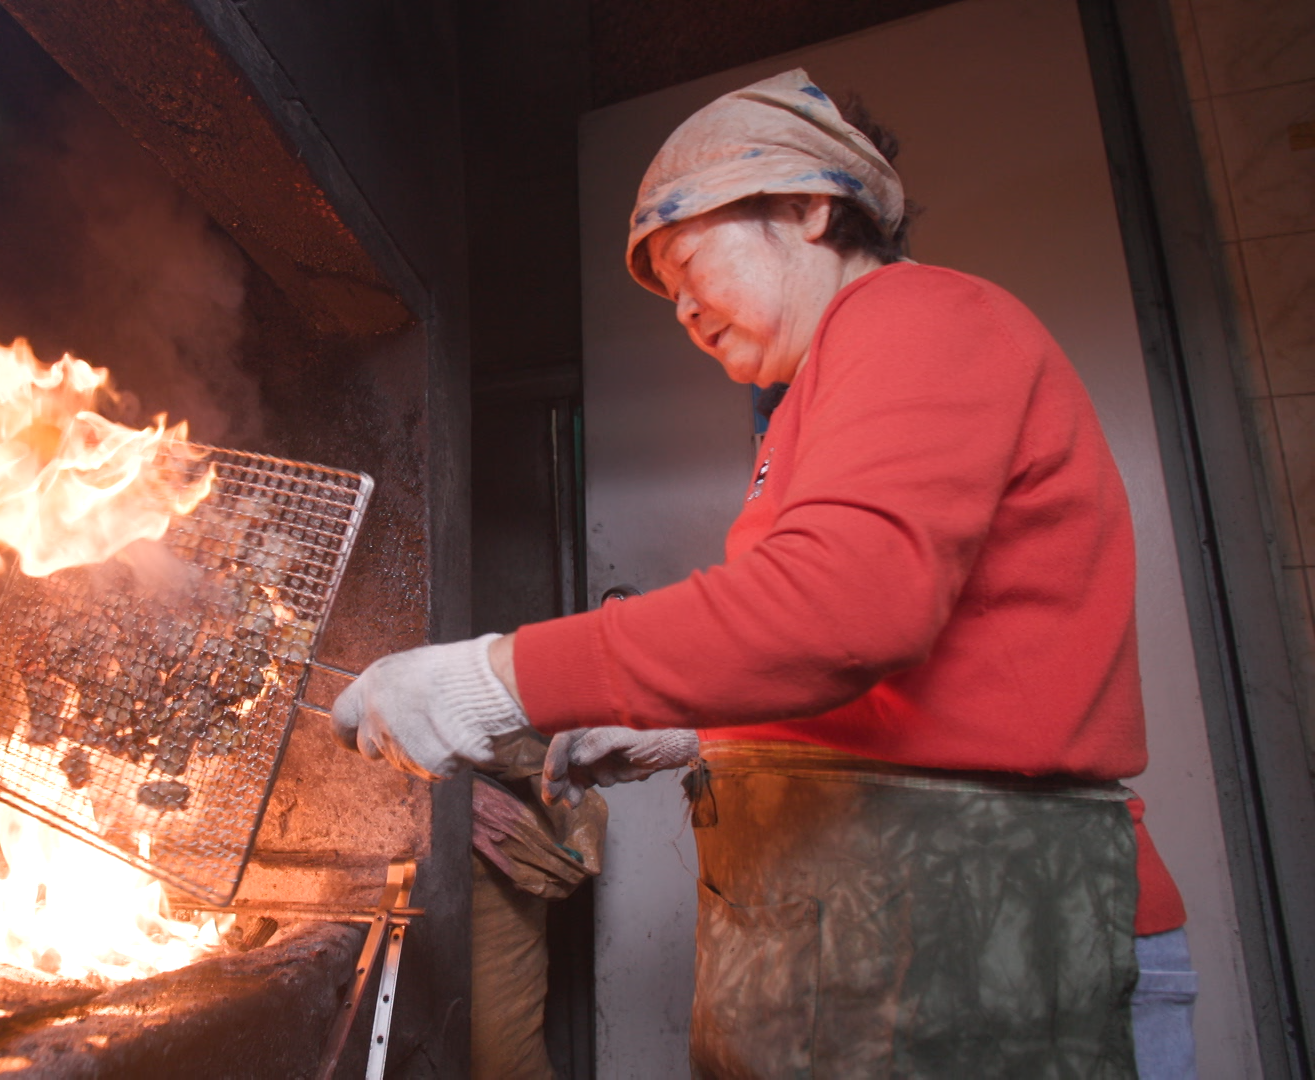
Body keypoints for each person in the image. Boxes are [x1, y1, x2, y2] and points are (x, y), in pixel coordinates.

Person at [332, 69, 1199, 1078]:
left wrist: (492, 677)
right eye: (664, 292)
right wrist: (703, 728)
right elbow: (904, 659)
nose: (684, 308)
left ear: (806, 207)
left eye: (691, 261)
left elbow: (833, 611)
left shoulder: (914, 315)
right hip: (887, 961)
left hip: (998, 949)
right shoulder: (813, 402)